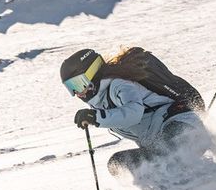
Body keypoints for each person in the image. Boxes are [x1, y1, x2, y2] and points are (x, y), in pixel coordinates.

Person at [60, 48, 206, 176]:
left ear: (92, 73)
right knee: (117, 164)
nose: (76, 92)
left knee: (165, 158)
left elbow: (133, 113)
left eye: (78, 84)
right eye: (70, 87)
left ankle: (202, 179)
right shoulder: (99, 104)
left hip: (181, 127)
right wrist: (96, 115)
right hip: (159, 143)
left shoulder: (119, 85)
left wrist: (96, 117)